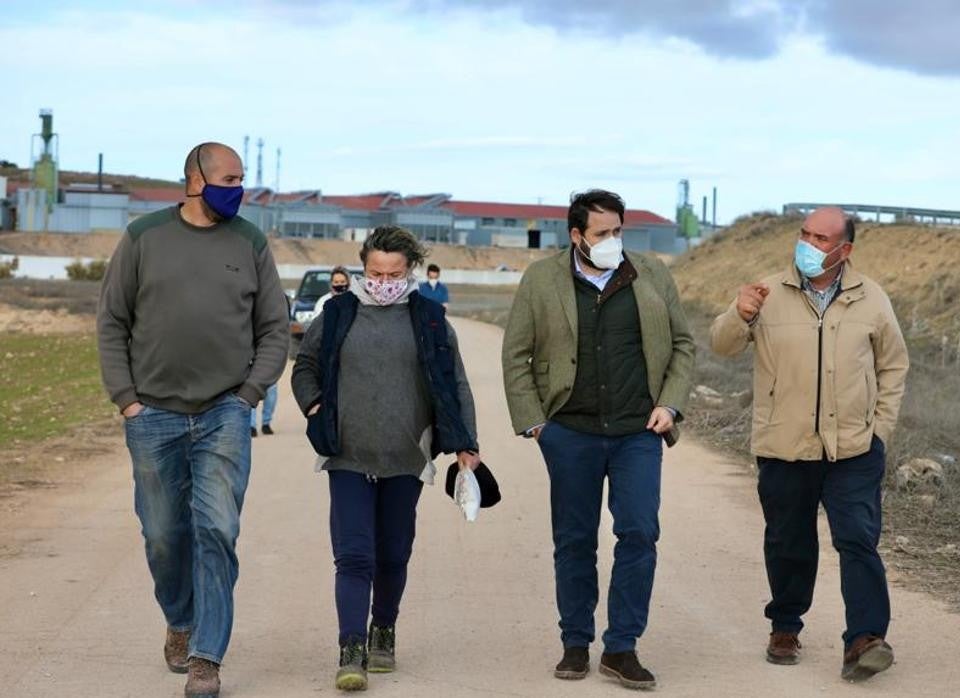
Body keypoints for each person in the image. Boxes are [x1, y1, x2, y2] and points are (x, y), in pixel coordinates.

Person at [97, 142, 289, 698]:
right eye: (230, 178)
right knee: (163, 536)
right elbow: (111, 321)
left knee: (217, 530)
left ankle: (207, 654)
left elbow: (274, 327)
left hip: (223, 413)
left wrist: (250, 394)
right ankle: (179, 620)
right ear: (194, 180)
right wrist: (127, 399)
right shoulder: (143, 237)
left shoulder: (250, 242)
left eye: (242, 178)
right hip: (152, 413)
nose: (240, 188)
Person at [501, 189, 694, 689]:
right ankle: (575, 643)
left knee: (638, 532)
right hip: (570, 433)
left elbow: (682, 344)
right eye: (602, 233)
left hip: (638, 432)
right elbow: (516, 354)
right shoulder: (542, 279)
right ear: (576, 236)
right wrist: (537, 424)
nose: (613, 241)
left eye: (618, 231)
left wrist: (669, 405)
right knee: (574, 540)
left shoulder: (650, 274)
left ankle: (622, 647)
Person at [709, 206, 909, 683]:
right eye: (804, 233)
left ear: (845, 250)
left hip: (853, 449)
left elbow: (894, 366)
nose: (808, 243)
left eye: (820, 238)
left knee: (858, 540)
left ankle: (865, 638)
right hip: (784, 444)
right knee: (788, 541)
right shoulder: (766, 292)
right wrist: (739, 314)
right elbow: (721, 345)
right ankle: (785, 626)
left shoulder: (871, 298)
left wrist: (879, 431)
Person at [291, 225, 479, 692]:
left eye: (394, 272)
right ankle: (350, 648)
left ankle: (384, 630)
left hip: (406, 456)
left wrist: (466, 443)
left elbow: (454, 381)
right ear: (363, 267)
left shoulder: (430, 318)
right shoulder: (337, 313)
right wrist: (316, 408)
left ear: (409, 270)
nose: (383, 280)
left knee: (393, 554)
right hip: (347, 455)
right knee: (354, 555)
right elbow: (305, 367)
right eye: (375, 271)